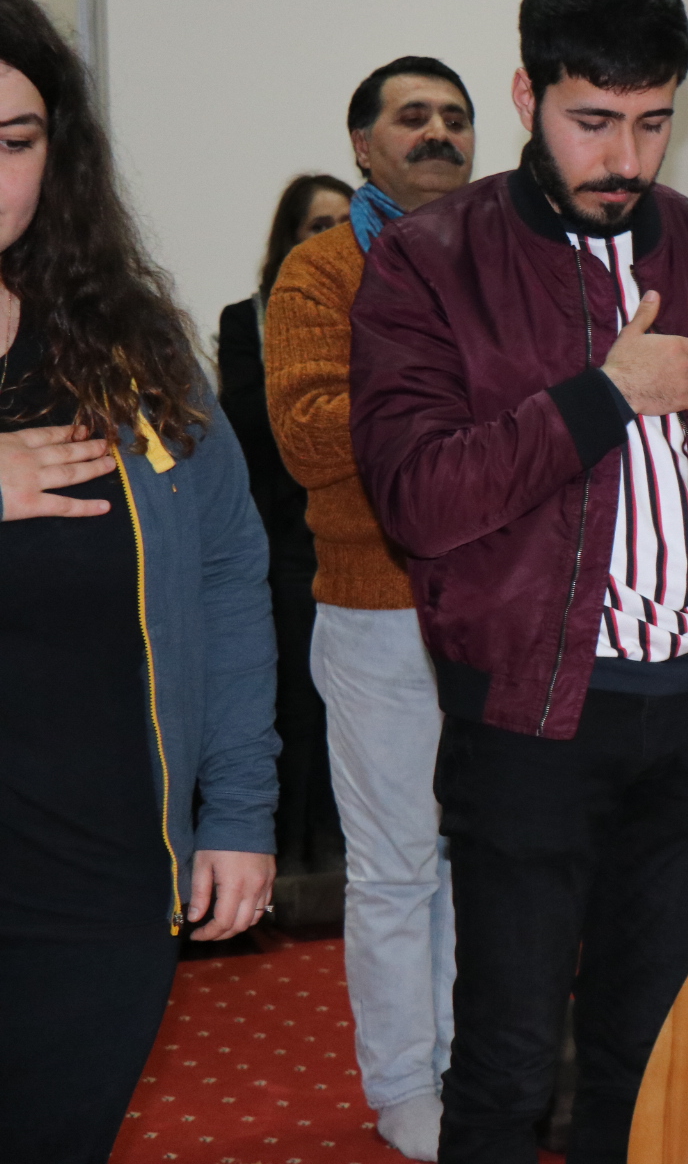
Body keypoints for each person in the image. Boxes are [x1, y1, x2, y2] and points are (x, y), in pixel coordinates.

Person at [348, 0, 688, 1164]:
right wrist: (605, 394)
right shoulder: (427, 260)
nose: (625, 157)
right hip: (529, 717)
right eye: (593, 121)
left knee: (647, 1052)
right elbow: (416, 498)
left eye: (653, 122)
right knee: (507, 1062)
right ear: (528, 97)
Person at [0, 0, 279, 1163]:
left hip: (99, 873)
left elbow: (226, 568)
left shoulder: (124, 342)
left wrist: (240, 809)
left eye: (14, 141)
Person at [265, 59, 475, 1159]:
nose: (438, 132)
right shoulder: (321, 269)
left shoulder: (507, 255)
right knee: (397, 865)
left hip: (501, 606)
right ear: (362, 144)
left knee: (484, 858)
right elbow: (309, 435)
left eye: (455, 117)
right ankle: (404, 1085)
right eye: (412, 116)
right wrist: (456, 400)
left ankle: (469, 1063)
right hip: (377, 604)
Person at [219, 173, 354, 904]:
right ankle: (290, 851)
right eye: (316, 225)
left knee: (346, 708)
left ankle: (331, 846)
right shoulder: (249, 320)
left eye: (343, 223)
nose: (331, 237)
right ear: (289, 239)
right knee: (293, 702)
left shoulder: (380, 310)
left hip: (353, 539)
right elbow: (253, 428)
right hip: (282, 542)